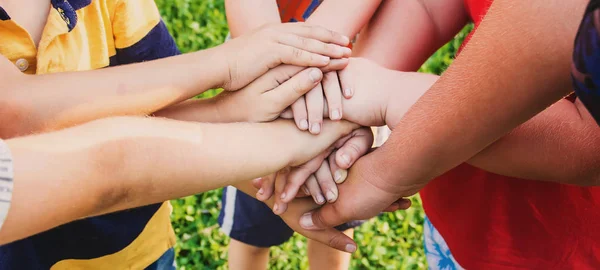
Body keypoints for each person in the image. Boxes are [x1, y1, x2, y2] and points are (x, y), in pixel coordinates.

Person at [0, 0, 352, 268]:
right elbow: (17, 113)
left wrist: (281, 178)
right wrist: (225, 67)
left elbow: (158, 117)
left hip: (138, 253)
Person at [296, 0, 600, 268]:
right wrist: (346, 101)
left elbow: (589, 143)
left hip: (562, 249)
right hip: (459, 205)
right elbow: (430, 5)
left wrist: (388, 104)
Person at [221, 1, 385, 268]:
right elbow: (254, 32)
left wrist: (341, 115)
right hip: (263, 104)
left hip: (352, 106)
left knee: (333, 228)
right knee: (252, 238)